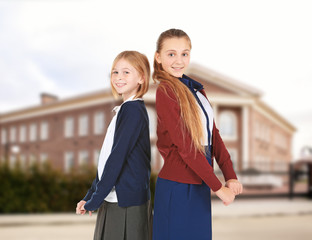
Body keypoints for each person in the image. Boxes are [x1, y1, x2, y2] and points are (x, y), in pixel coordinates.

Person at [152, 29, 243, 240]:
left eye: (184, 53)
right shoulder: (165, 91)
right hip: (178, 186)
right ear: (158, 57)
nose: (178, 60)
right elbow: (186, 146)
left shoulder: (197, 92)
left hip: (200, 184)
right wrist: (219, 188)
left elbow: (214, 137)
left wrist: (230, 175)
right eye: (171, 54)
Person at [76, 50, 152, 240]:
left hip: (127, 202)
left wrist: (95, 199)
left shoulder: (133, 110)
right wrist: (90, 195)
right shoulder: (123, 110)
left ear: (141, 78)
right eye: (115, 72)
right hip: (113, 198)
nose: (119, 77)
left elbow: (117, 157)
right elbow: (106, 160)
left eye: (126, 72)